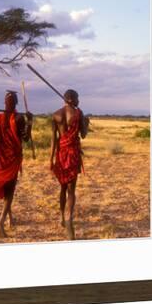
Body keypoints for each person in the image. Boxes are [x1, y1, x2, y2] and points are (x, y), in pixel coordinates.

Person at [0, 90, 33, 237]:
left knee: (7, 190)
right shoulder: (18, 118)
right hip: (12, 160)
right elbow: (26, 138)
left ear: (5, 103)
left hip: (0, 159)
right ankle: (0, 222)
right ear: (16, 103)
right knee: (10, 192)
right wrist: (30, 122)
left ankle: (10, 218)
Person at [49, 89, 89, 240]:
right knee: (71, 191)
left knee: (63, 187)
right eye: (77, 98)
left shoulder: (56, 114)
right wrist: (85, 122)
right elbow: (83, 135)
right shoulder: (78, 114)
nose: (79, 101)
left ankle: (61, 217)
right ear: (71, 99)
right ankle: (68, 220)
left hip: (60, 155)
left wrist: (50, 159)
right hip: (72, 154)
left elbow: (54, 139)